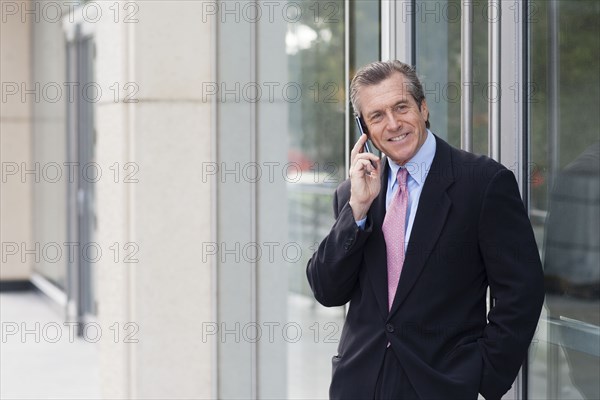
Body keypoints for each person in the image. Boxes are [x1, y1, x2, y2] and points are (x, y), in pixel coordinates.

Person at [306, 60, 545, 400]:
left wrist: (482, 378)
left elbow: (522, 292)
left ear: (423, 106)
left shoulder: (482, 183)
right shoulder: (353, 193)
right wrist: (356, 210)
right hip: (358, 384)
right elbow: (328, 291)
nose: (393, 124)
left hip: (442, 386)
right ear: (365, 129)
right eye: (377, 116)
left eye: (401, 107)